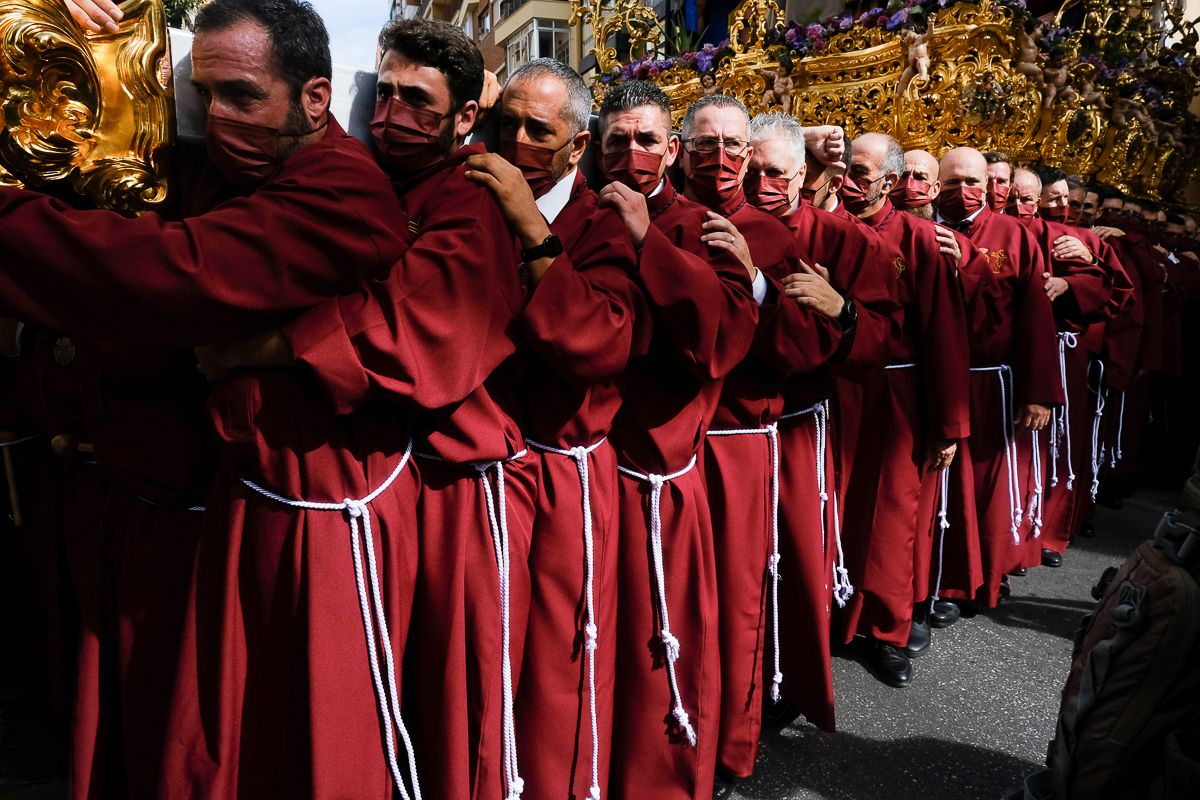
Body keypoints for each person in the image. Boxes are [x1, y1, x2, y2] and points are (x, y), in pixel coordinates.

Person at [0, 2, 424, 796]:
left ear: (314, 98)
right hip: (144, 506)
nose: (220, 117)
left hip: (258, 532)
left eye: (242, 96)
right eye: (206, 95)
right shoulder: (211, 164)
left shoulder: (345, 191)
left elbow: (177, 274)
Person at [466, 58, 649, 800]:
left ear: (577, 147)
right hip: (479, 472)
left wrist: (530, 225)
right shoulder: (468, 189)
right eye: (503, 123)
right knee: (480, 650)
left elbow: (600, 341)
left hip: (559, 471)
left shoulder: (601, 222)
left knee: (555, 661)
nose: (514, 141)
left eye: (537, 130)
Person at [594, 80, 759, 800]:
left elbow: (718, 341)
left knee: (659, 638)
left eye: (647, 139)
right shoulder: (568, 211)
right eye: (616, 140)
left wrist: (645, 242)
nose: (632, 153)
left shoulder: (705, 228)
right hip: (578, 471)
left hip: (652, 476)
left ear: (670, 150)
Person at [674, 95, 843, 793]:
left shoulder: (773, 236)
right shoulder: (647, 216)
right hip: (655, 450)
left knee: (736, 606)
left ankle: (725, 745)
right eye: (704, 142)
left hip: (736, 447)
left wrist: (755, 279)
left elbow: (803, 347)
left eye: (733, 144)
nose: (719, 157)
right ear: (682, 148)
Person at [745, 111, 901, 734]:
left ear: (803, 174)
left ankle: (789, 681)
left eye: (775, 172)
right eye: (750, 170)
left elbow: (886, 337)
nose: (761, 183)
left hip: (803, 426)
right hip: (729, 424)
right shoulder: (722, 221)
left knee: (796, 558)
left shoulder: (847, 240)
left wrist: (844, 311)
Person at [834, 132, 971, 688]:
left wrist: (948, 424)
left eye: (861, 174)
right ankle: (830, 617)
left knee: (891, 518)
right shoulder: (828, 226)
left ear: (889, 183)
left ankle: (887, 631)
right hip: (834, 395)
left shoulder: (920, 240)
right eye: (845, 169)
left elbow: (945, 337)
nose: (848, 182)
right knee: (834, 510)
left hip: (896, 398)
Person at [933, 148, 1061, 610]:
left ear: (988, 185)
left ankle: (986, 575)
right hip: (934, 383)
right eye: (951, 184)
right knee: (942, 489)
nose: (962, 192)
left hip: (992, 384)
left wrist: (1039, 394)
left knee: (986, 490)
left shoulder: (1013, 235)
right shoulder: (925, 231)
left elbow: (1035, 319)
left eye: (971, 182)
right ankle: (942, 581)